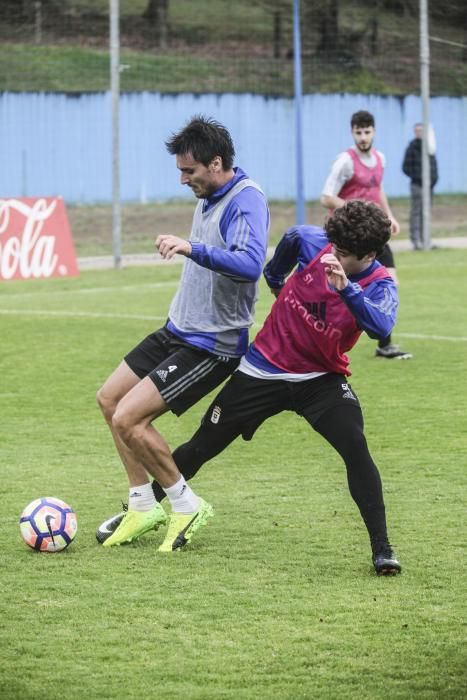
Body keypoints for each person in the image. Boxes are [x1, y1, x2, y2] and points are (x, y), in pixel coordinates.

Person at [101, 200, 403, 576]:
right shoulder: (315, 243)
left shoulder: (380, 285)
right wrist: (277, 280)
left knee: (356, 447)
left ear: (370, 255)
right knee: (202, 445)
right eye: (333, 248)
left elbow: (380, 326)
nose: (334, 257)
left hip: (320, 380)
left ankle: (383, 550)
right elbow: (291, 239)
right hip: (261, 369)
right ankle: (141, 509)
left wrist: (348, 291)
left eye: (344, 255)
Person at [96, 115, 270, 551]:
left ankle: (186, 504)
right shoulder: (210, 194)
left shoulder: (246, 200)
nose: (182, 179)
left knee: (129, 418)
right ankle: (141, 505)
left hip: (212, 344)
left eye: (188, 171)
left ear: (216, 163)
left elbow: (251, 264)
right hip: (178, 329)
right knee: (110, 399)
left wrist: (191, 247)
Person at [320, 110, 412, 360]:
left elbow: (378, 189)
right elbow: (326, 197)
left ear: (374, 131)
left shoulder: (380, 159)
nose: (363, 137)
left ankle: (384, 342)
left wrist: (388, 215)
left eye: (367, 132)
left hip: (372, 234)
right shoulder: (345, 161)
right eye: (358, 132)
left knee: (390, 283)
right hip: (350, 236)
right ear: (352, 133)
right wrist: (355, 213)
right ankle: (327, 332)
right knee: (331, 285)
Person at [402, 122, 438, 250]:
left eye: (421, 131)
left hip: (429, 186)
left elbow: (433, 166)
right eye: (417, 131)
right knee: (416, 212)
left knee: (426, 213)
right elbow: (405, 168)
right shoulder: (412, 147)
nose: (419, 133)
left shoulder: (429, 148)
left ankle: (426, 239)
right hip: (417, 185)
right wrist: (418, 177)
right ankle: (416, 240)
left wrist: (433, 180)